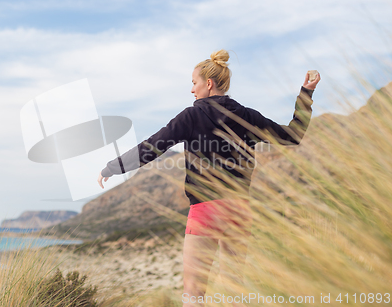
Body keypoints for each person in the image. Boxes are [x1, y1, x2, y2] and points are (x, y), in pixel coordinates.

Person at [97, 49, 320, 306]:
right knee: (233, 289)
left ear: (209, 84)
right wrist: (306, 93)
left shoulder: (191, 116)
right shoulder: (247, 116)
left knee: (193, 291)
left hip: (205, 209)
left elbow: (151, 147)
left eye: (194, 83)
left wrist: (112, 168)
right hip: (239, 210)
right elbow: (292, 136)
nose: (192, 90)